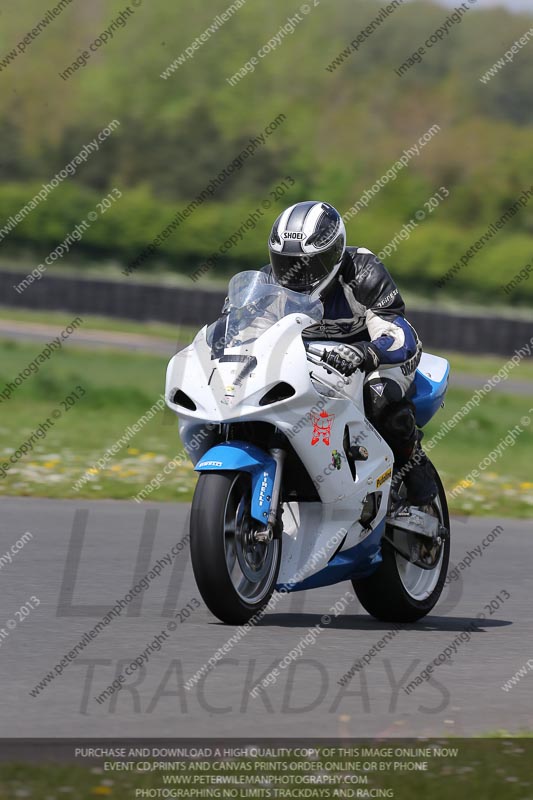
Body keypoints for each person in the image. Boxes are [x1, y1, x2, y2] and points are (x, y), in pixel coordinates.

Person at [265, 199, 437, 507]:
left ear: (333, 255)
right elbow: (242, 329)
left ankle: (414, 462)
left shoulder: (363, 272)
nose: (296, 275)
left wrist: (366, 353)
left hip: (376, 357)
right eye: (286, 264)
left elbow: (398, 335)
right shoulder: (270, 285)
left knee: (379, 392)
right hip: (311, 363)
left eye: (308, 265)